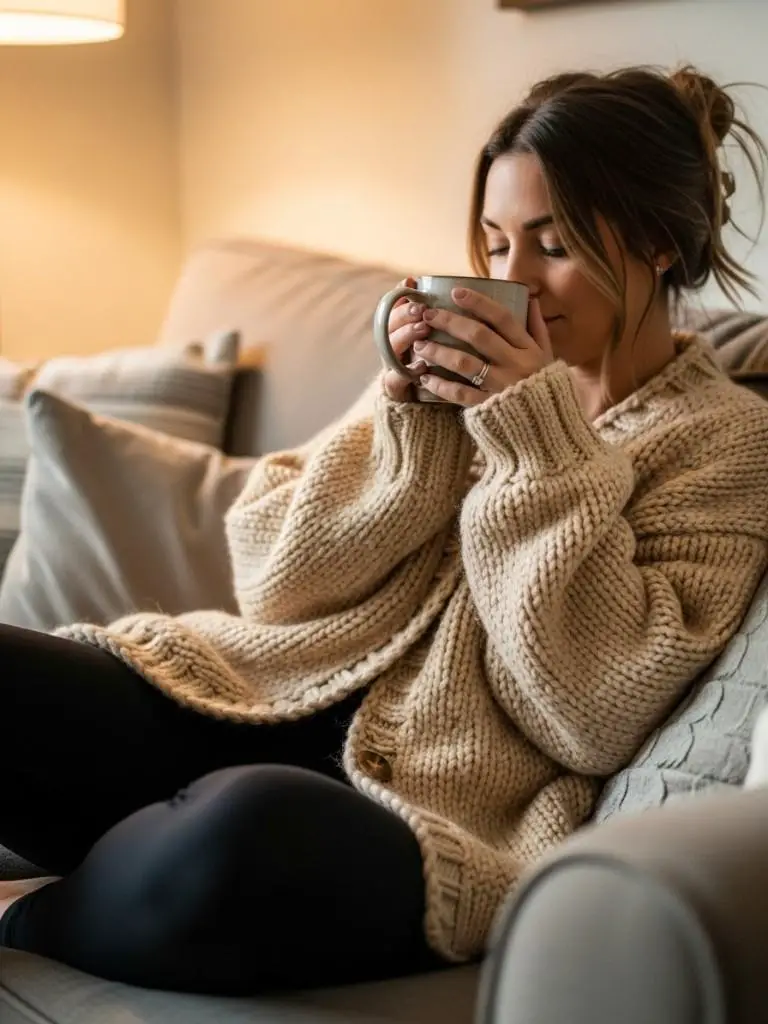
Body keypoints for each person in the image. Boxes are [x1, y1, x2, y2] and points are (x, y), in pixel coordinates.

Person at [2, 63, 768, 996]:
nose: (512, 279)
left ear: (657, 241)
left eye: (553, 243)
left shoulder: (727, 444)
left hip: (428, 810)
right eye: (494, 241)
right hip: (260, 696)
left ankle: (39, 909)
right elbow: (275, 583)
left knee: (245, 830)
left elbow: (594, 714)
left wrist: (534, 443)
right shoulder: (449, 373)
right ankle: (130, 859)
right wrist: (405, 427)